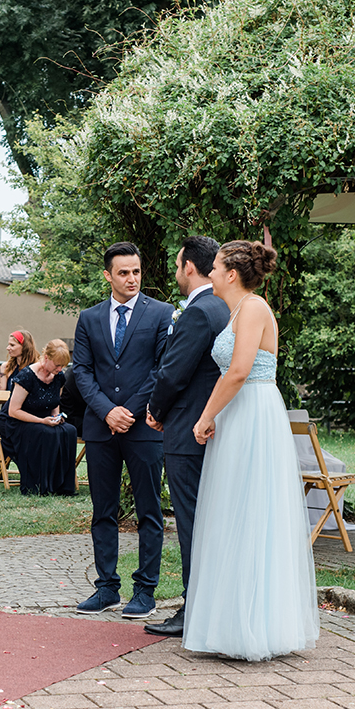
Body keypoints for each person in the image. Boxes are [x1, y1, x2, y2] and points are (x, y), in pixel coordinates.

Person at [184, 240, 319, 661]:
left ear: (230, 273)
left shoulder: (256, 307)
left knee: (254, 512)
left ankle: (255, 627)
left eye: (216, 266)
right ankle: (227, 623)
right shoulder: (235, 311)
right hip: (237, 416)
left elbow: (240, 370)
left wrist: (205, 416)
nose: (209, 273)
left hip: (254, 412)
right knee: (231, 512)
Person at [73, 241, 173, 620]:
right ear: (108, 276)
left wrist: (127, 411)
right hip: (100, 428)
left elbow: (161, 369)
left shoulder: (161, 313)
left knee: (149, 510)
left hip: (143, 426)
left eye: (136, 271)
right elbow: (81, 371)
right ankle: (106, 588)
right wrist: (106, 411)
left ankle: (145, 591)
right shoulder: (90, 318)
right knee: (104, 510)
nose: (132, 279)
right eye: (123, 272)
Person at [141, 236, 230, 639]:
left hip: (187, 431)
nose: (176, 272)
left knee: (192, 522)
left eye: (178, 265)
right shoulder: (226, 306)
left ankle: (193, 610)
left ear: (189, 267)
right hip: (211, 427)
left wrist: (156, 412)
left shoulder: (200, 311)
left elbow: (174, 372)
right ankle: (209, 604)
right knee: (208, 520)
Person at [0, 339, 78, 496]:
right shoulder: (27, 376)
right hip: (17, 422)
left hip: (44, 419)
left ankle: (62, 486)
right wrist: (42, 421)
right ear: (46, 357)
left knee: (69, 430)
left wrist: (56, 417)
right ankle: (41, 485)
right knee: (45, 432)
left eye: (63, 366)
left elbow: (55, 402)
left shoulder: (59, 376)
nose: (60, 369)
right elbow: (13, 411)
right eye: (57, 365)